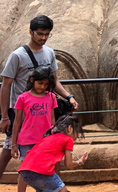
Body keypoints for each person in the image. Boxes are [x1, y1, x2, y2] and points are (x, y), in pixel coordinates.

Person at [0, 16, 79, 183]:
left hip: (43, 111)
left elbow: (54, 81)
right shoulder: (18, 56)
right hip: (21, 110)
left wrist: (68, 96)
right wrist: (5, 116)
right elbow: (6, 85)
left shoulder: (49, 53)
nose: (43, 38)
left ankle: (54, 185)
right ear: (31, 32)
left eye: (47, 34)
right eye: (40, 34)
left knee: (51, 148)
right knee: (9, 149)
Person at [10, 66, 57, 192]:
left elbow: (52, 119)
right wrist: (13, 144)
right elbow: (17, 122)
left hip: (45, 140)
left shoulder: (51, 97)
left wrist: (54, 138)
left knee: (43, 169)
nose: (42, 86)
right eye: (40, 83)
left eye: (46, 84)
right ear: (32, 80)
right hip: (26, 140)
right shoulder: (23, 98)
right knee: (25, 171)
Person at [18, 115, 88, 192]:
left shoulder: (47, 138)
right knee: (63, 191)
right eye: (77, 132)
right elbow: (68, 164)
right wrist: (80, 161)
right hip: (42, 171)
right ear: (70, 129)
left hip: (24, 172)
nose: (77, 136)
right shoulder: (68, 139)